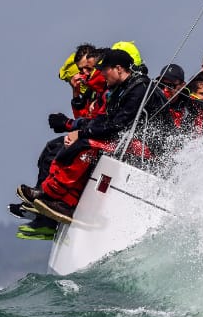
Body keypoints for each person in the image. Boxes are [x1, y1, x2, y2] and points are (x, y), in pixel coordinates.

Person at [17, 48, 167, 224]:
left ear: (119, 69)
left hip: (151, 149)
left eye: (105, 70)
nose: (102, 74)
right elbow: (102, 120)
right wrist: (77, 130)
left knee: (86, 144)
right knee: (74, 144)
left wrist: (81, 133)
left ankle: (57, 196)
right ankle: (56, 196)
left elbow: (116, 126)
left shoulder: (139, 88)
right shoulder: (121, 88)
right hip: (130, 141)